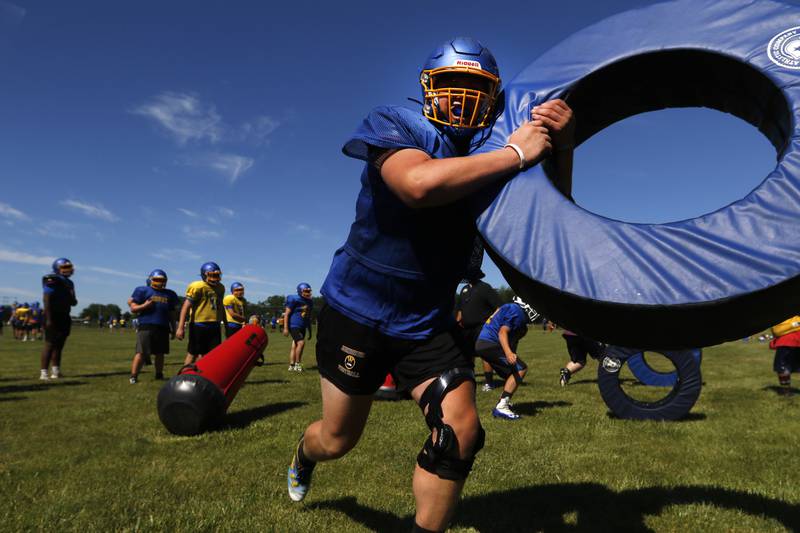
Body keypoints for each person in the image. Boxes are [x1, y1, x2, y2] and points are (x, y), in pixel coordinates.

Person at [286, 37, 574, 533]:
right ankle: (304, 456)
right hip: (358, 309)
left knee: (461, 431)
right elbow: (417, 185)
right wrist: (513, 152)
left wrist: (558, 144)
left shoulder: (495, 146)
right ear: (427, 87)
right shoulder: (397, 122)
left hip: (423, 320)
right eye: (452, 84)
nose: (462, 97)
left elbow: (552, 206)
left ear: (494, 96)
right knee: (337, 439)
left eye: (475, 88)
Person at [474, 297, 538, 420]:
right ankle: (502, 406)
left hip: (485, 343)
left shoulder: (512, 311)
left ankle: (503, 402)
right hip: (490, 343)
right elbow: (503, 332)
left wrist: (511, 353)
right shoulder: (516, 310)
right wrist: (508, 353)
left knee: (511, 373)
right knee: (521, 369)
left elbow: (511, 338)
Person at [454, 261, 503, 392]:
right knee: (468, 356)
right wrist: (456, 324)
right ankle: (469, 380)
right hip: (466, 329)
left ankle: (489, 383)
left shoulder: (485, 288)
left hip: (482, 327)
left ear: (477, 275)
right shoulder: (464, 290)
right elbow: (459, 310)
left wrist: (490, 321)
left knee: (484, 355)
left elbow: (499, 307)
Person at [127, 269, 179, 384]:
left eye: (162, 280)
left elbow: (172, 314)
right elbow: (133, 308)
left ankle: (159, 374)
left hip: (163, 326)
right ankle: (134, 376)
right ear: (151, 280)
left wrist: (174, 328)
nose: (160, 282)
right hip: (146, 325)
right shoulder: (143, 290)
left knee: (160, 353)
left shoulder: (170, 294)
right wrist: (145, 305)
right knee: (141, 352)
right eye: (157, 280)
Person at [175, 262, 226, 365]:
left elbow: (221, 307)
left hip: (215, 325)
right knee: (193, 353)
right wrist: (180, 327)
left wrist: (225, 323)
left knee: (211, 355)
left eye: (217, 275)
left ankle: (201, 376)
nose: (215, 278)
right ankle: (183, 378)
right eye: (212, 275)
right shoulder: (197, 286)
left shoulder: (220, 287)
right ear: (204, 274)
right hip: (199, 324)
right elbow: (185, 307)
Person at [40, 258, 78, 380]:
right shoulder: (52, 279)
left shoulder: (69, 283)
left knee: (60, 345)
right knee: (50, 344)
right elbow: (46, 299)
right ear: (57, 268)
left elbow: (73, 303)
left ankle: (56, 371)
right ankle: (44, 373)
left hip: (64, 314)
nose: (69, 270)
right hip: (52, 314)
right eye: (65, 267)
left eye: (69, 267)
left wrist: (71, 293)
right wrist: (48, 319)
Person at [283, 283, 314, 371]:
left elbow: (308, 317)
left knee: (295, 345)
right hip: (294, 325)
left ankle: (292, 365)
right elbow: (287, 314)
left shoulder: (310, 302)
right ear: (300, 291)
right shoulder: (294, 299)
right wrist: (285, 327)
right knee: (301, 343)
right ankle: (298, 364)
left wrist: (310, 330)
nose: (308, 293)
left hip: (302, 326)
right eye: (306, 291)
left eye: (309, 291)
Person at [769, 316, 800, 395]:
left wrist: (791, 327)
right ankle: (785, 390)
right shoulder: (781, 317)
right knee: (783, 367)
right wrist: (795, 325)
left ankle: (785, 390)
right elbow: (777, 331)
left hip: (792, 342)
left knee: (783, 367)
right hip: (786, 343)